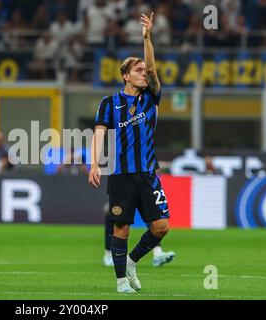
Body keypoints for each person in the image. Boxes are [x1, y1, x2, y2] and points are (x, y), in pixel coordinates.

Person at [89, 12, 170, 293]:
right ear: (125, 76)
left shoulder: (151, 96)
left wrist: (147, 37)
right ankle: (121, 282)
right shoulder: (109, 103)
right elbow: (99, 133)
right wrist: (94, 164)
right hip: (121, 174)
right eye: (137, 70)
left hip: (148, 173)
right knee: (120, 228)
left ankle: (133, 261)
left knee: (161, 227)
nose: (143, 73)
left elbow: (154, 71)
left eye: (144, 70)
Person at [102, 203, 175, 267]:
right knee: (111, 210)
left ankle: (157, 253)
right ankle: (109, 255)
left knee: (151, 211)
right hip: (125, 189)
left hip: (141, 188)